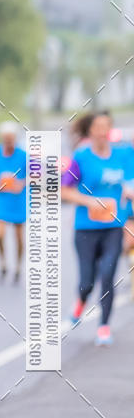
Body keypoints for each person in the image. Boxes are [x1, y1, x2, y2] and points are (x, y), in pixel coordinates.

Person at [61, 110, 134, 345]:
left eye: (106, 127)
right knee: (87, 281)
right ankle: (81, 300)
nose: (102, 132)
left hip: (114, 226)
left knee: (108, 275)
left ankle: (104, 326)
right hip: (86, 229)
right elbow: (63, 190)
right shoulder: (81, 158)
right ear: (90, 131)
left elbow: (130, 181)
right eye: (98, 128)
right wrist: (90, 201)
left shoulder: (124, 154)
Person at [0, 121, 27, 282]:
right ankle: (3, 262)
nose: (9, 142)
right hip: (1, 198)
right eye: (6, 139)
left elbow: (35, 175)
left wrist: (21, 184)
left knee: (18, 236)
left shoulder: (23, 155)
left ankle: (18, 265)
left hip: (18, 199)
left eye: (11, 139)